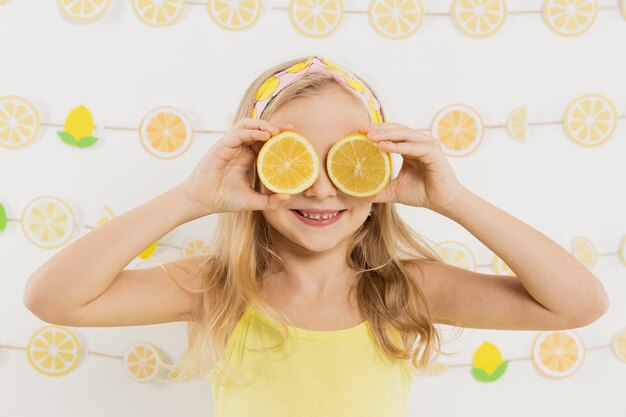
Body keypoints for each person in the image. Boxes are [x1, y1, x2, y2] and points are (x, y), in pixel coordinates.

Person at [23, 54, 609, 417]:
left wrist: (451, 199)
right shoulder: (218, 284)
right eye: (296, 161)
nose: (323, 190)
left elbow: (580, 304)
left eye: (346, 161)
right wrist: (190, 199)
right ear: (254, 163)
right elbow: (52, 299)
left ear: (381, 168)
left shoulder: (405, 289)